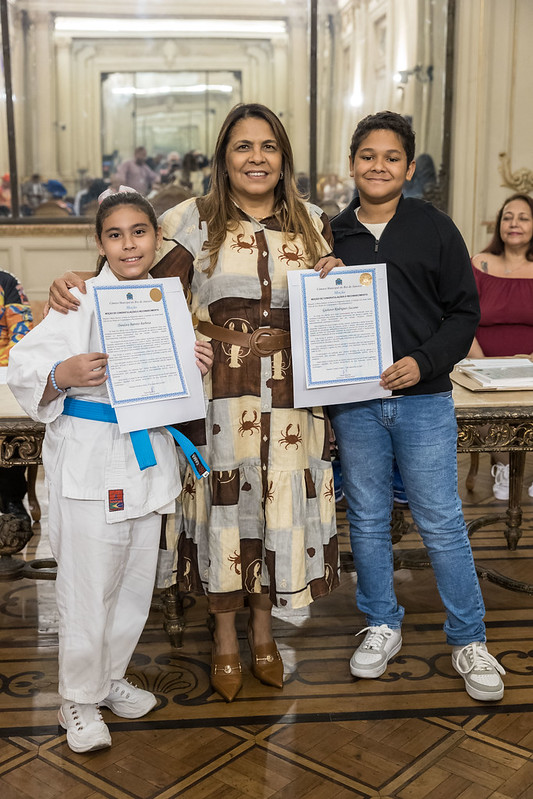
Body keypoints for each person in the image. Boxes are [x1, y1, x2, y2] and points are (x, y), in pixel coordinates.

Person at [48, 103, 340, 703]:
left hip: (290, 394)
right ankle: (226, 633)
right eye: (242, 146)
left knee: (278, 509)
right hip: (221, 393)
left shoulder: (314, 222)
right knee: (226, 510)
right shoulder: (191, 220)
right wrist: (78, 276)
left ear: (283, 157)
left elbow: (328, 303)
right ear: (223, 158)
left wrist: (336, 279)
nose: (256, 157)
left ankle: (265, 628)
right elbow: (128, 275)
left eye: (267, 146)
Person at [7, 190, 213, 753]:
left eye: (139, 232)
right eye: (116, 234)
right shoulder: (78, 300)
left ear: (156, 238)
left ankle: (108, 677)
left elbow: (176, 384)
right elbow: (24, 368)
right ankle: (76, 699)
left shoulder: (164, 301)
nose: (129, 244)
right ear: (100, 243)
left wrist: (196, 364)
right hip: (90, 466)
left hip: (145, 463)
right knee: (87, 587)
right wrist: (62, 372)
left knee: (132, 585)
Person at [314, 111, 505, 702]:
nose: (378, 166)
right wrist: (320, 278)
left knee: (442, 521)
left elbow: (464, 313)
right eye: (367, 155)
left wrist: (423, 361)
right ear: (352, 164)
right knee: (367, 519)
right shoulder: (331, 234)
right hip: (357, 404)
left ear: (410, 167)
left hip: (424, 401)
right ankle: (380, 623)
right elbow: (311, 314)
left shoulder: (435, 227)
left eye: (391, 157)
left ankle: (469, 638)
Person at [468, 194, 533, 500]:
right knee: (474, 408)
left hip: (531, 367)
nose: (514, 224)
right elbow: (461, 318)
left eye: (523, 217)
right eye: (508, 217)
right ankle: (505, 466)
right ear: (499, 225)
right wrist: (484, 365)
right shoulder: (479, 264)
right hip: (482, 366)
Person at [0, 270, 33, 520]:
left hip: (3, 373)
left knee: (12, 431)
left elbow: (22, 336)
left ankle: (12, 499)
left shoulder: (7, 283)